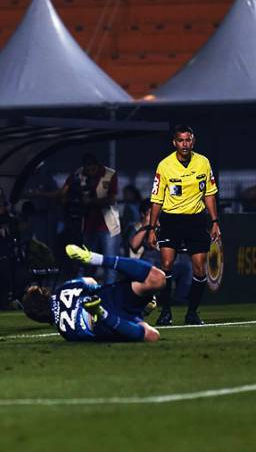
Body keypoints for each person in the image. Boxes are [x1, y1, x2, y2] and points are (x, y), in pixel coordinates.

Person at [147, 124, 220, 326]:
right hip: (171, 220)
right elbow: (156, 199)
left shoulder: (203, 162)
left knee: (199, 269)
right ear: (174, 143)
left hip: (196, 221)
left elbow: (210, 194)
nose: (185, 144)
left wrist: (215, 222)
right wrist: (151, 229)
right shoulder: (164, 165)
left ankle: (192, 313)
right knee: (167, 265)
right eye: (181, 140)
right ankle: (166, 312)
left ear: (193, 141)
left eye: (188, 140)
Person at [21, 244, 164, 343]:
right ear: (42, 294)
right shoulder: (63, 290)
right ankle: (95, 258)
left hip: (108, 322)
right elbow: (90, 281)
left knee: (152, 336)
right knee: (157, 278)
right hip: (108, 297)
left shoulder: (65, 333)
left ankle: (107, 314)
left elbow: (94, 336)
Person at [59, 154, 121, 283]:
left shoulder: (109, 174)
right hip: (88, 226)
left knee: (110, 263)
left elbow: (111, 199)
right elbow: (63, 192)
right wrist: (71, 199)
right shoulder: (79, 174)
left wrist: (91, 201)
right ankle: (82, 290)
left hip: (108, 226)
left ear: (98, 166)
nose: (91, 172)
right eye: (88, 169)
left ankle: (110, 294)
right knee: (85, 262)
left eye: (93, 169)